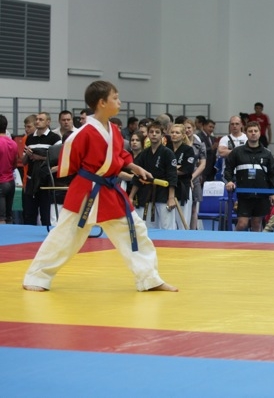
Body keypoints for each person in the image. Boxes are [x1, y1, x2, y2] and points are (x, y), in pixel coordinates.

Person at [23, 81, 177, 292]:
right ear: (102, 103)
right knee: (65, 235)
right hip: (86, 190)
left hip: (110, 190)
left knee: (135, 229)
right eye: (115, 98)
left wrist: (135, 167)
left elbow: (120, 155)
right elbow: (69, 163)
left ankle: (149, 279)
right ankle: (36, 277)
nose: (119, 101)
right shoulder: (83, 133)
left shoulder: (113, 129)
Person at [224, 121, 274, 232]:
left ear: (259, 133)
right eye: (250, 131)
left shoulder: (267, 153)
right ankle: (233, 241)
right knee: (242, 224)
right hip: (244, 195)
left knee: (256, 224)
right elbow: (228, 168)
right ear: (246, 133)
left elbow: (273, 174)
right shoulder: (237, 152)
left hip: (261, 195)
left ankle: (255, 243)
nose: (253, 133)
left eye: (255, 131)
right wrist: (229, 181)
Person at [129, 121, 178, 230]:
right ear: (147, 135)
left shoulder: (168, 153)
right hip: (147, 194)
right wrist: (131, 197)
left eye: (157, 132)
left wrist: (171, 198)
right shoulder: (144, 154)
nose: (154, 134)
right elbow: (137, 176)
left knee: (167, 226)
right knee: (149, 227)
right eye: (151, 132)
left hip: (164, 194)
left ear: (162, 135)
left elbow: (172, 176)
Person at [23, 112, 62, 226]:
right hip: (31, 180)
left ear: (48, 122)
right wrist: (28, 155)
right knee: (29, 214)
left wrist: (39, 157)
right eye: (36, 119)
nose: (37, 121)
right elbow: (24, 161)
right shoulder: (30, 138)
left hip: (46, 181)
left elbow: (58, 160)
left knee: (46, 214)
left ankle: (46, 234)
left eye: (41, 119)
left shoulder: (55, 138)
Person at [169, 124, 196, 230]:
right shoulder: (166, 149)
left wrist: (170, 170)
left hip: (183, 187)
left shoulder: (188, 150)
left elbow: (187, 169)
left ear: (183, 135)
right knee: (169, 221)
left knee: (182, 220)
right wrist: (177, 167)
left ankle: (183, 237)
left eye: (177, 132)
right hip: (168, 187)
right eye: (172, 132)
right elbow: (161, 168)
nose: (174, 135)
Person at [184, 119, 207, 229]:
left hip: (195, 177)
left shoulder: (200, 145)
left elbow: (202, 164)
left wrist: (192, 177)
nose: (187, 130)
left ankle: (192, 232)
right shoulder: (177, 144)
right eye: (185, 128)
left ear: (193, 128)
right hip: (182, 177)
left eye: (189, 128)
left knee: (194, 207)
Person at [0, 114, 18, 224]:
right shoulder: (13, 143)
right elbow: (15, 165)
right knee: (8, 217)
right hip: (11, 182)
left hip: (1, 182)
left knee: (1, 219)